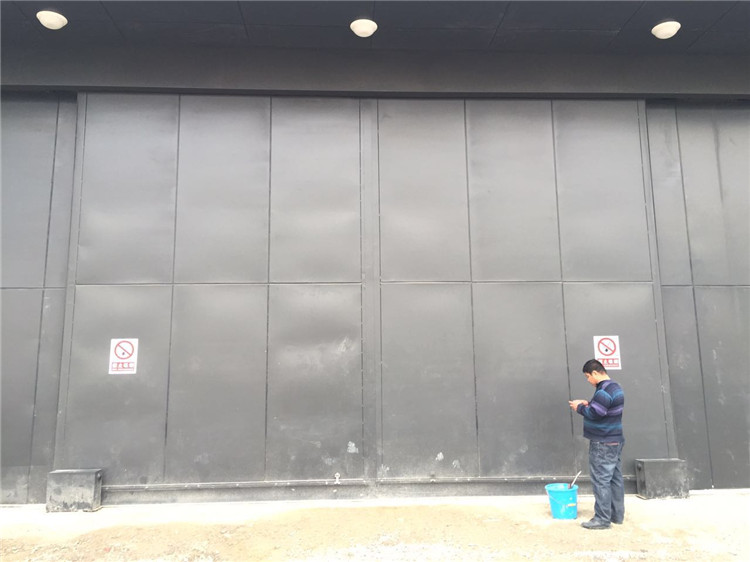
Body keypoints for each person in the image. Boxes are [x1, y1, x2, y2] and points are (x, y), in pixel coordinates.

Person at [569, 359, 625, 530]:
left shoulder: (603, 391)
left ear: (595, 373)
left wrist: (579, 408)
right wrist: (589, 403)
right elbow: (604, 409)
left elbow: (595, 414)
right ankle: (616, 515)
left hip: (603, 442)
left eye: (588, 376)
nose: (588, 380)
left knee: (601, 480)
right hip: (615, 440)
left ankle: (602, 519)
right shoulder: (614, 387)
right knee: (614, 479)